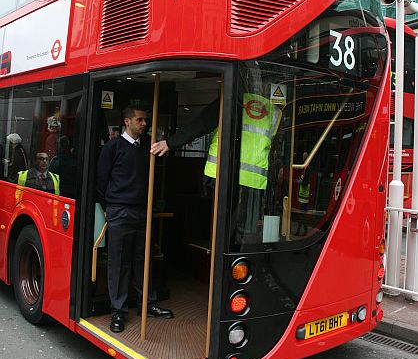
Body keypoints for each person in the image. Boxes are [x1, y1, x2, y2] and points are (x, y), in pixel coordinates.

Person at [151, 92, 282, 242]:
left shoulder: (232, 97)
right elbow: (274, 148)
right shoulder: (275, 112)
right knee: (242, 232)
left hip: (219, 174)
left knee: (215, 227)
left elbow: (201, 124)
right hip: (254, 181)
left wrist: (170, 143)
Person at [97, 104, 173, 334]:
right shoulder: (112, 148)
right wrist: (111, 208)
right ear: (127, 121)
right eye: (139, 120)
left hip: (142, 210)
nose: (144, 123)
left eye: (145, 120)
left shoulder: (147, 147)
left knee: (143, 259)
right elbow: (101, 181)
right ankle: (118, 311)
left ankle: (146, 304)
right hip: (120, 210)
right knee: (119, 262)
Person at [296, 152, 310, 236]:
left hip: (304, 196)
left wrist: (300, 181)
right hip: (302, 196)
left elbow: (305, 182)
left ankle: (301, 231)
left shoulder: (307, 169)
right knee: (302, 215)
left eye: (304, 157)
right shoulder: (306, 168)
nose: (302, 159)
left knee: (301, 215)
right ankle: (304, 231)